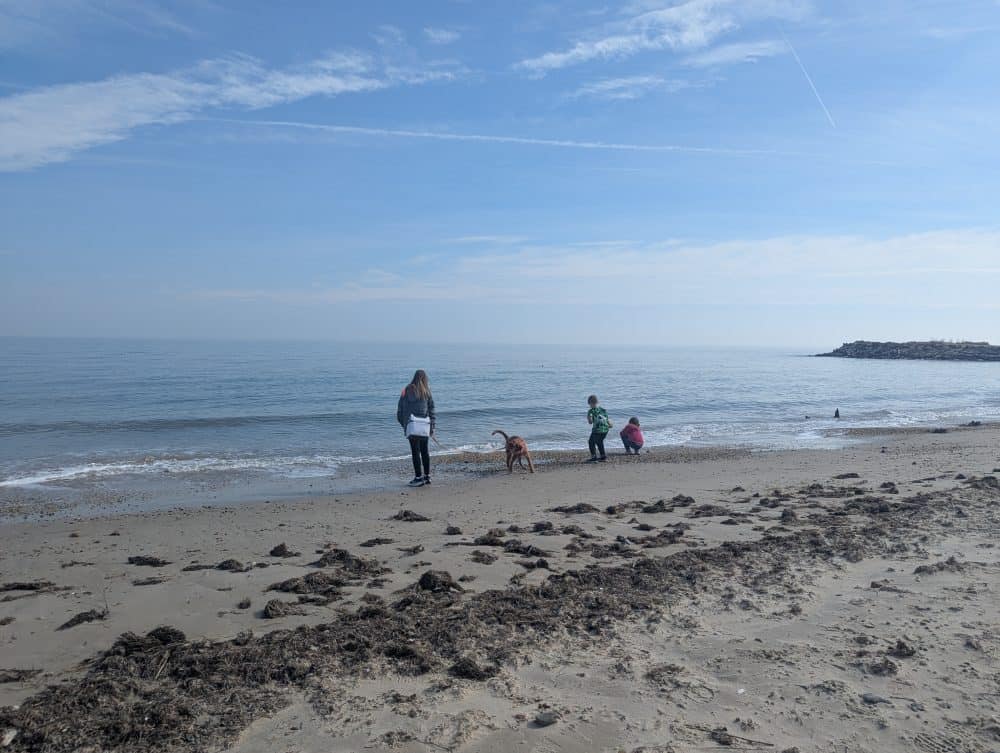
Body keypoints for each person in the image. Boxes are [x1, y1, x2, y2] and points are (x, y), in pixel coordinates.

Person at [397, 369, 435, 487]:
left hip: (411, 425)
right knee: (424, 451)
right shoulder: (427, 392)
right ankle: (427, 476)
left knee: (415, 452)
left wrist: (405, 424)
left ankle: (418, 478)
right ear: (424, 379)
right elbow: (431, 410)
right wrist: (431, 426)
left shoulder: (405, 391)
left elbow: (400, 410)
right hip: (424, 426)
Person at [586, 394, 612, 462]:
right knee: (599, 442)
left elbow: (590, 422)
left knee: (591, 442)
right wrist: (610, 425)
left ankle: (594, 457)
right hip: (605, 430)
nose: (590, 406)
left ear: (590, 403)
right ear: (597, 402)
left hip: (597, 430)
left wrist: (588, 417)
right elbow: (608, 420)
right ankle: (603, 457)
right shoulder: (603, 410)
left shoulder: (591, 411)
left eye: (589, 404)